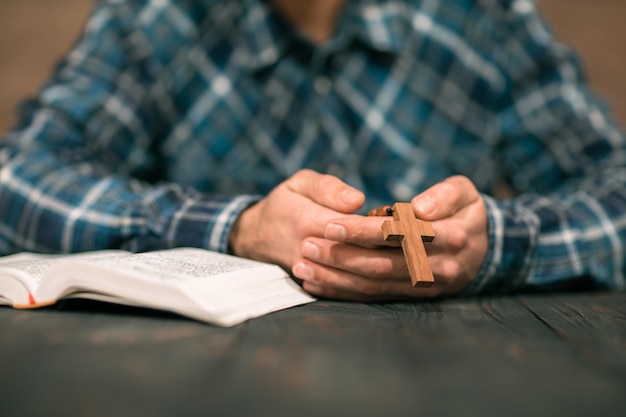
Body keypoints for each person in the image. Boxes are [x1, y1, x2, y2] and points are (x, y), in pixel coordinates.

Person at [0, 0, 624, 301]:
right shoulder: (152, 21)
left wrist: (497, 244)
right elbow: (17, 178)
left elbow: (614, 189)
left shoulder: (480, 17)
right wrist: (237, 228)